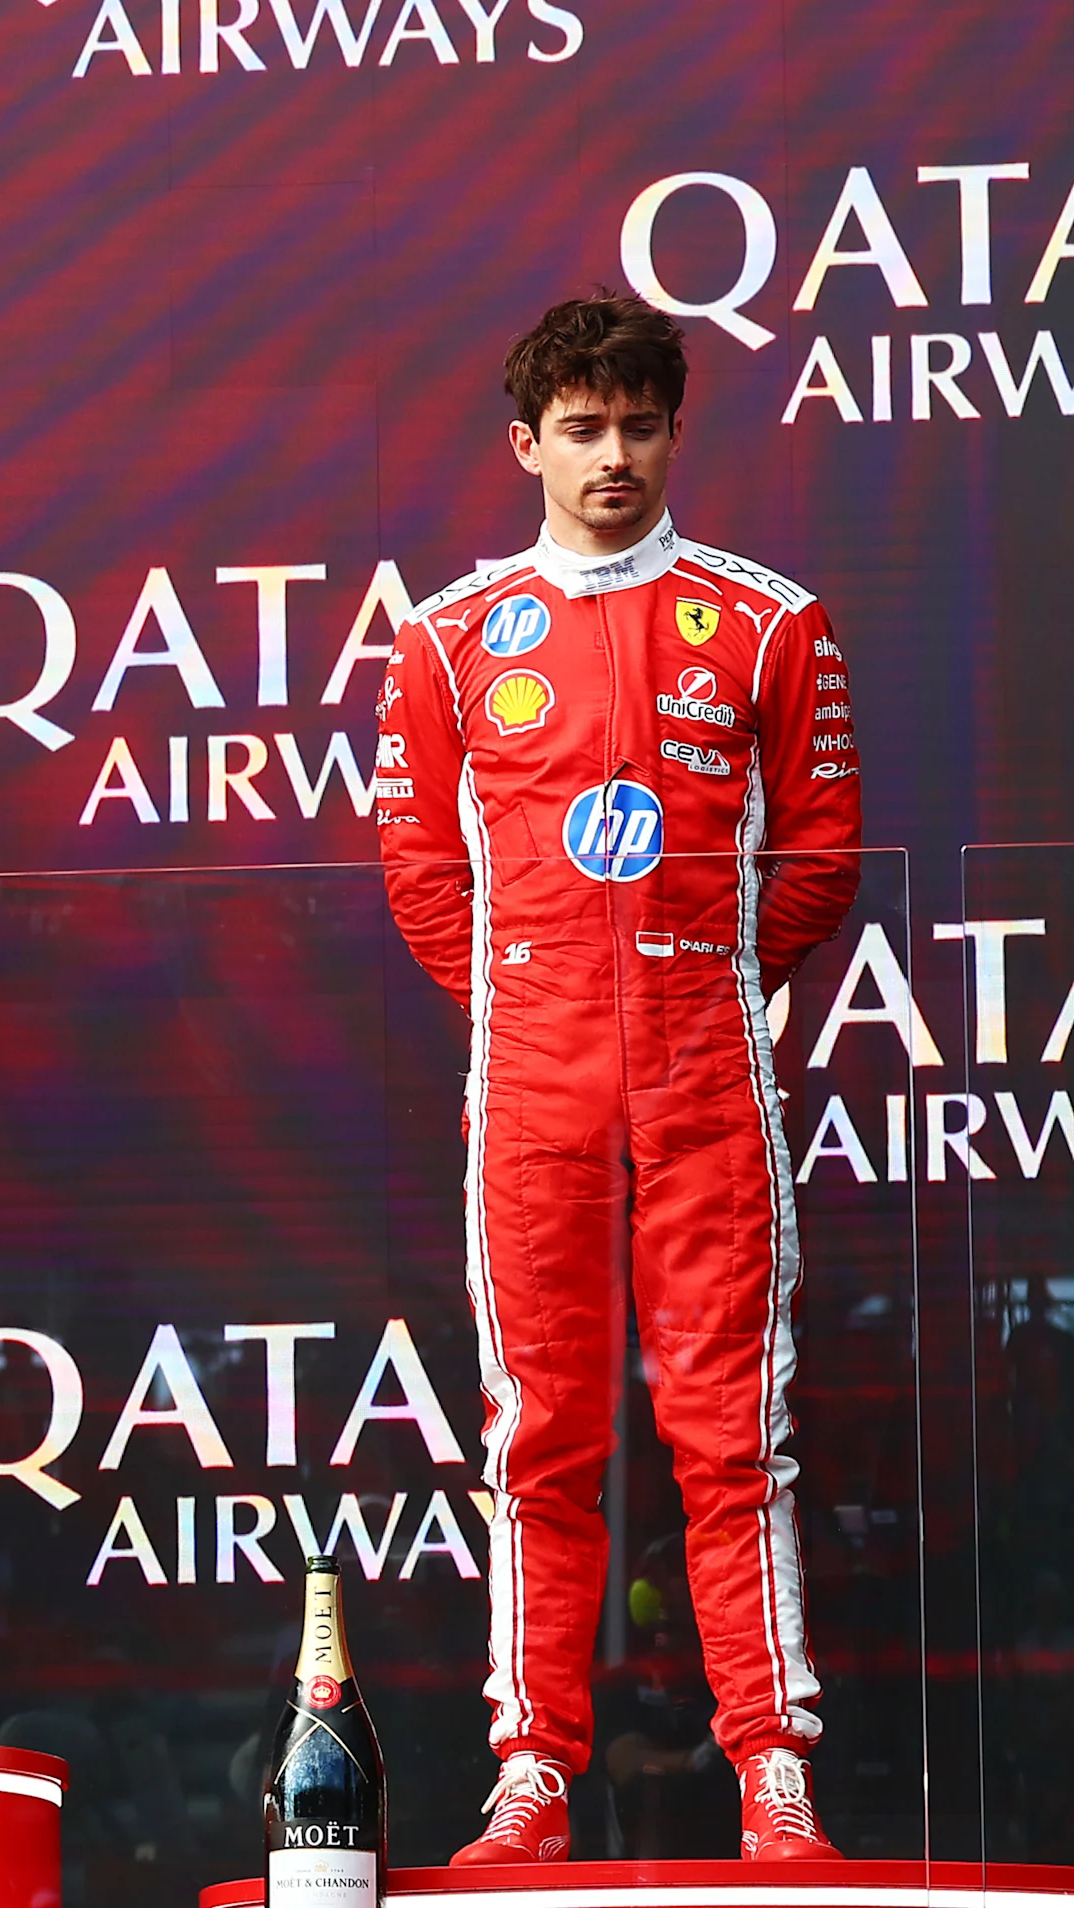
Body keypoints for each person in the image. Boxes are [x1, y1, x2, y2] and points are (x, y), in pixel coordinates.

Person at [374, 295, 858, 1864]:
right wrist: (537, 1006)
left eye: (640, 425)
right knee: (541, 1435)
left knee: (735, 1434)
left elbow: (816, 865)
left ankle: (774, 1771)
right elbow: (422, 877)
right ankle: (533, 1771)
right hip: (533, 1088)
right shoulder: (448, 638)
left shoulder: (769, 623)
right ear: (527, 445)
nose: (614, 457)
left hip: (712, 1075)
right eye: (582, 428)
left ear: (674, 434)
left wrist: (696, 992)